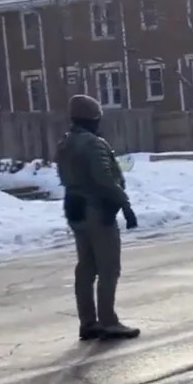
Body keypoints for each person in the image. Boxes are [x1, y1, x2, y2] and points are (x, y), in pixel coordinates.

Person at [55, 94, 140, 340]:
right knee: (108, 267)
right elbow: (103, 178)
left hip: (74, 208)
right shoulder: (93, 143)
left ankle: (88, 322)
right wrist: (124, 204)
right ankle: (108, 321)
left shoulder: (66, 143)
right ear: (94, 119)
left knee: (86, 267)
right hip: (96, 209)